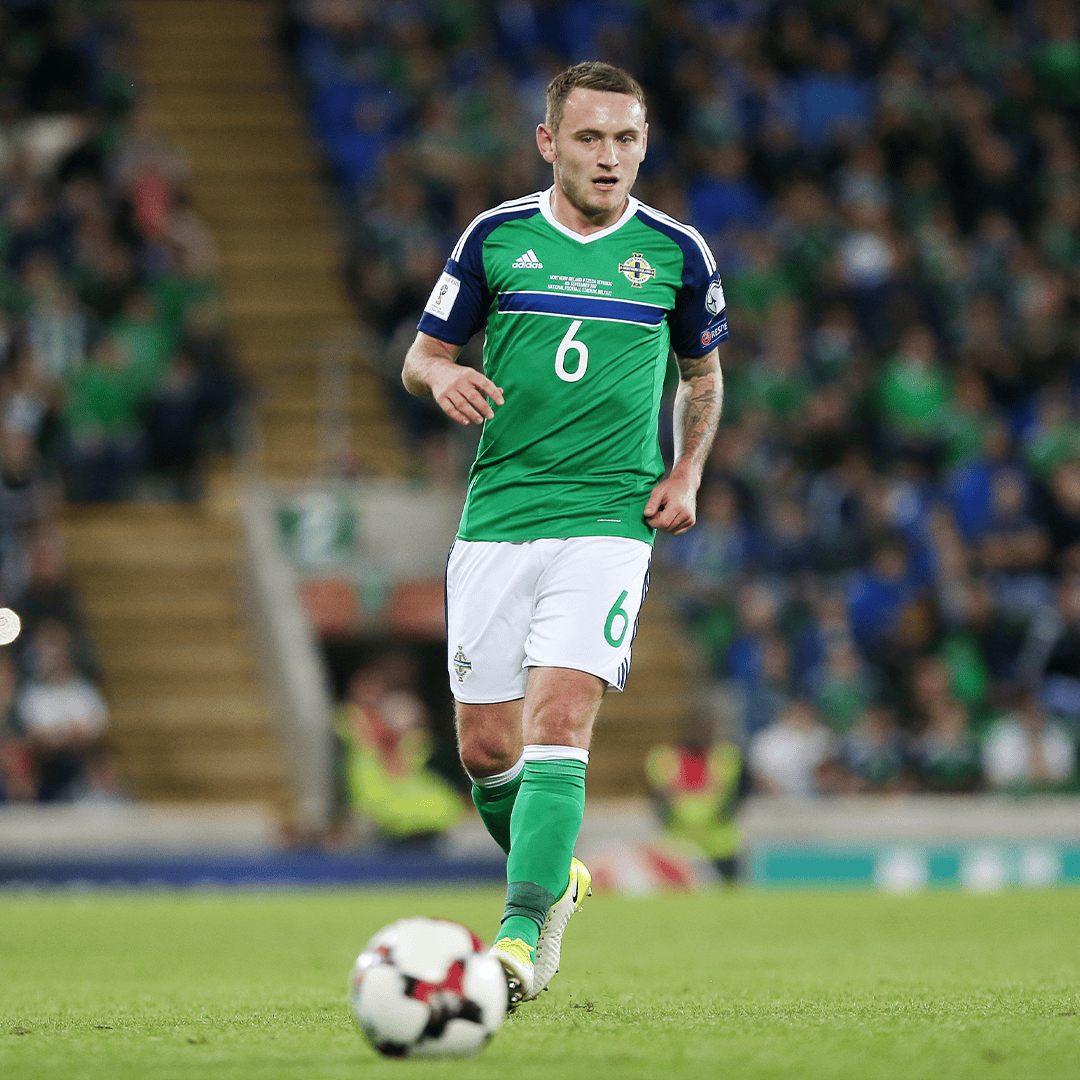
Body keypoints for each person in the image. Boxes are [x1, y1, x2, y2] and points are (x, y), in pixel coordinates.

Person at [401, 61, 726, 1006]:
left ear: (644, 144)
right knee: (484, 750)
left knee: (557, 722)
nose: (609, 156)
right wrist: (442, 376)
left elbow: (703, 379)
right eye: (589, 137)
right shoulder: (496, 237)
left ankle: (516, 935)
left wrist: (685, 471)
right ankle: (557, 878)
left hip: (610, 520)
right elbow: (421, 357)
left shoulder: (677, 253)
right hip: (500, 513)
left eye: (626, 138)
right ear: (549, 143)